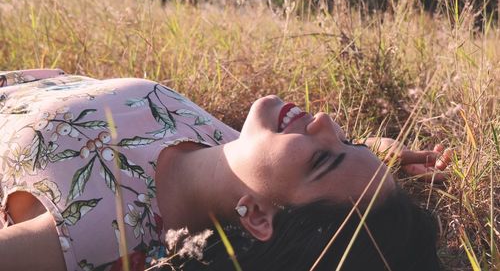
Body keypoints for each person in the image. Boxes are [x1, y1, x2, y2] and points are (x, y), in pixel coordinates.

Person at [0, 69, 450, 271]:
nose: (328, 123)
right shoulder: (230, 147)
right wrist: (383, 152)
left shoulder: (107, 229)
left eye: (323, 157)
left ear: (255, 215)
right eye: (346, 140)